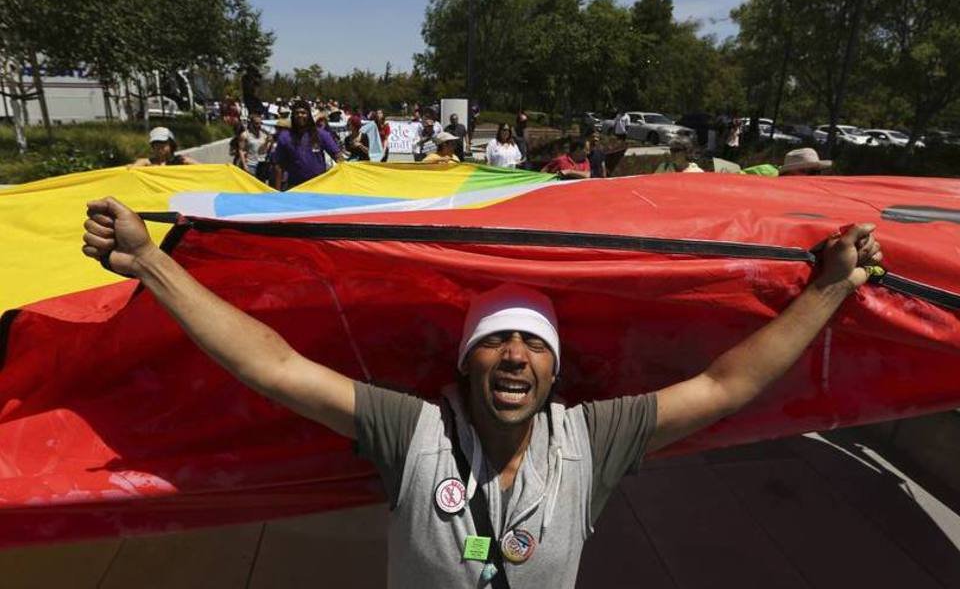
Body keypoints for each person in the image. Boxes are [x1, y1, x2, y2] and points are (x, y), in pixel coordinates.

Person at [81, 197, 882, 588]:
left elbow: (724, 382)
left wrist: (828, 292)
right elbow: (276, 366)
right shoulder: (411, 432)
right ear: (465, 363)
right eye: (495, 340)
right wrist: (153, 264)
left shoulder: (593, 441)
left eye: (534, 345)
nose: (514, 357)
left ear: (555, 372)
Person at [272, 99, 342, 189]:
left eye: (303, 112)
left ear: (309, 115)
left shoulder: (321, 134)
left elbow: (338, 156)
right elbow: (278, 166)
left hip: (319, 186)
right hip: (295, 187)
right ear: (293, 115)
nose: (300, 115)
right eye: (297, 113)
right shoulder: (285, 137)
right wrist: (277, 193)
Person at [129, 127, 196, 167]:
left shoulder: (182, 161)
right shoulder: (149, 163)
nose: (159, 146)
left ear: (171, 144)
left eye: (162, 142)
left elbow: (202, 169)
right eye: (156, 143)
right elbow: (138, 165)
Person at [239, 112, 271, 177]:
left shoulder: (264, 134)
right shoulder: (245, 135)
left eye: (260, 123)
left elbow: (265, 150)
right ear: (251, 123)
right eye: (256, 123)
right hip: (250, 164)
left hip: (262, 163)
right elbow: (241, 150)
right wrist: (244, 165)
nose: (259, 125)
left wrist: (267, 142)